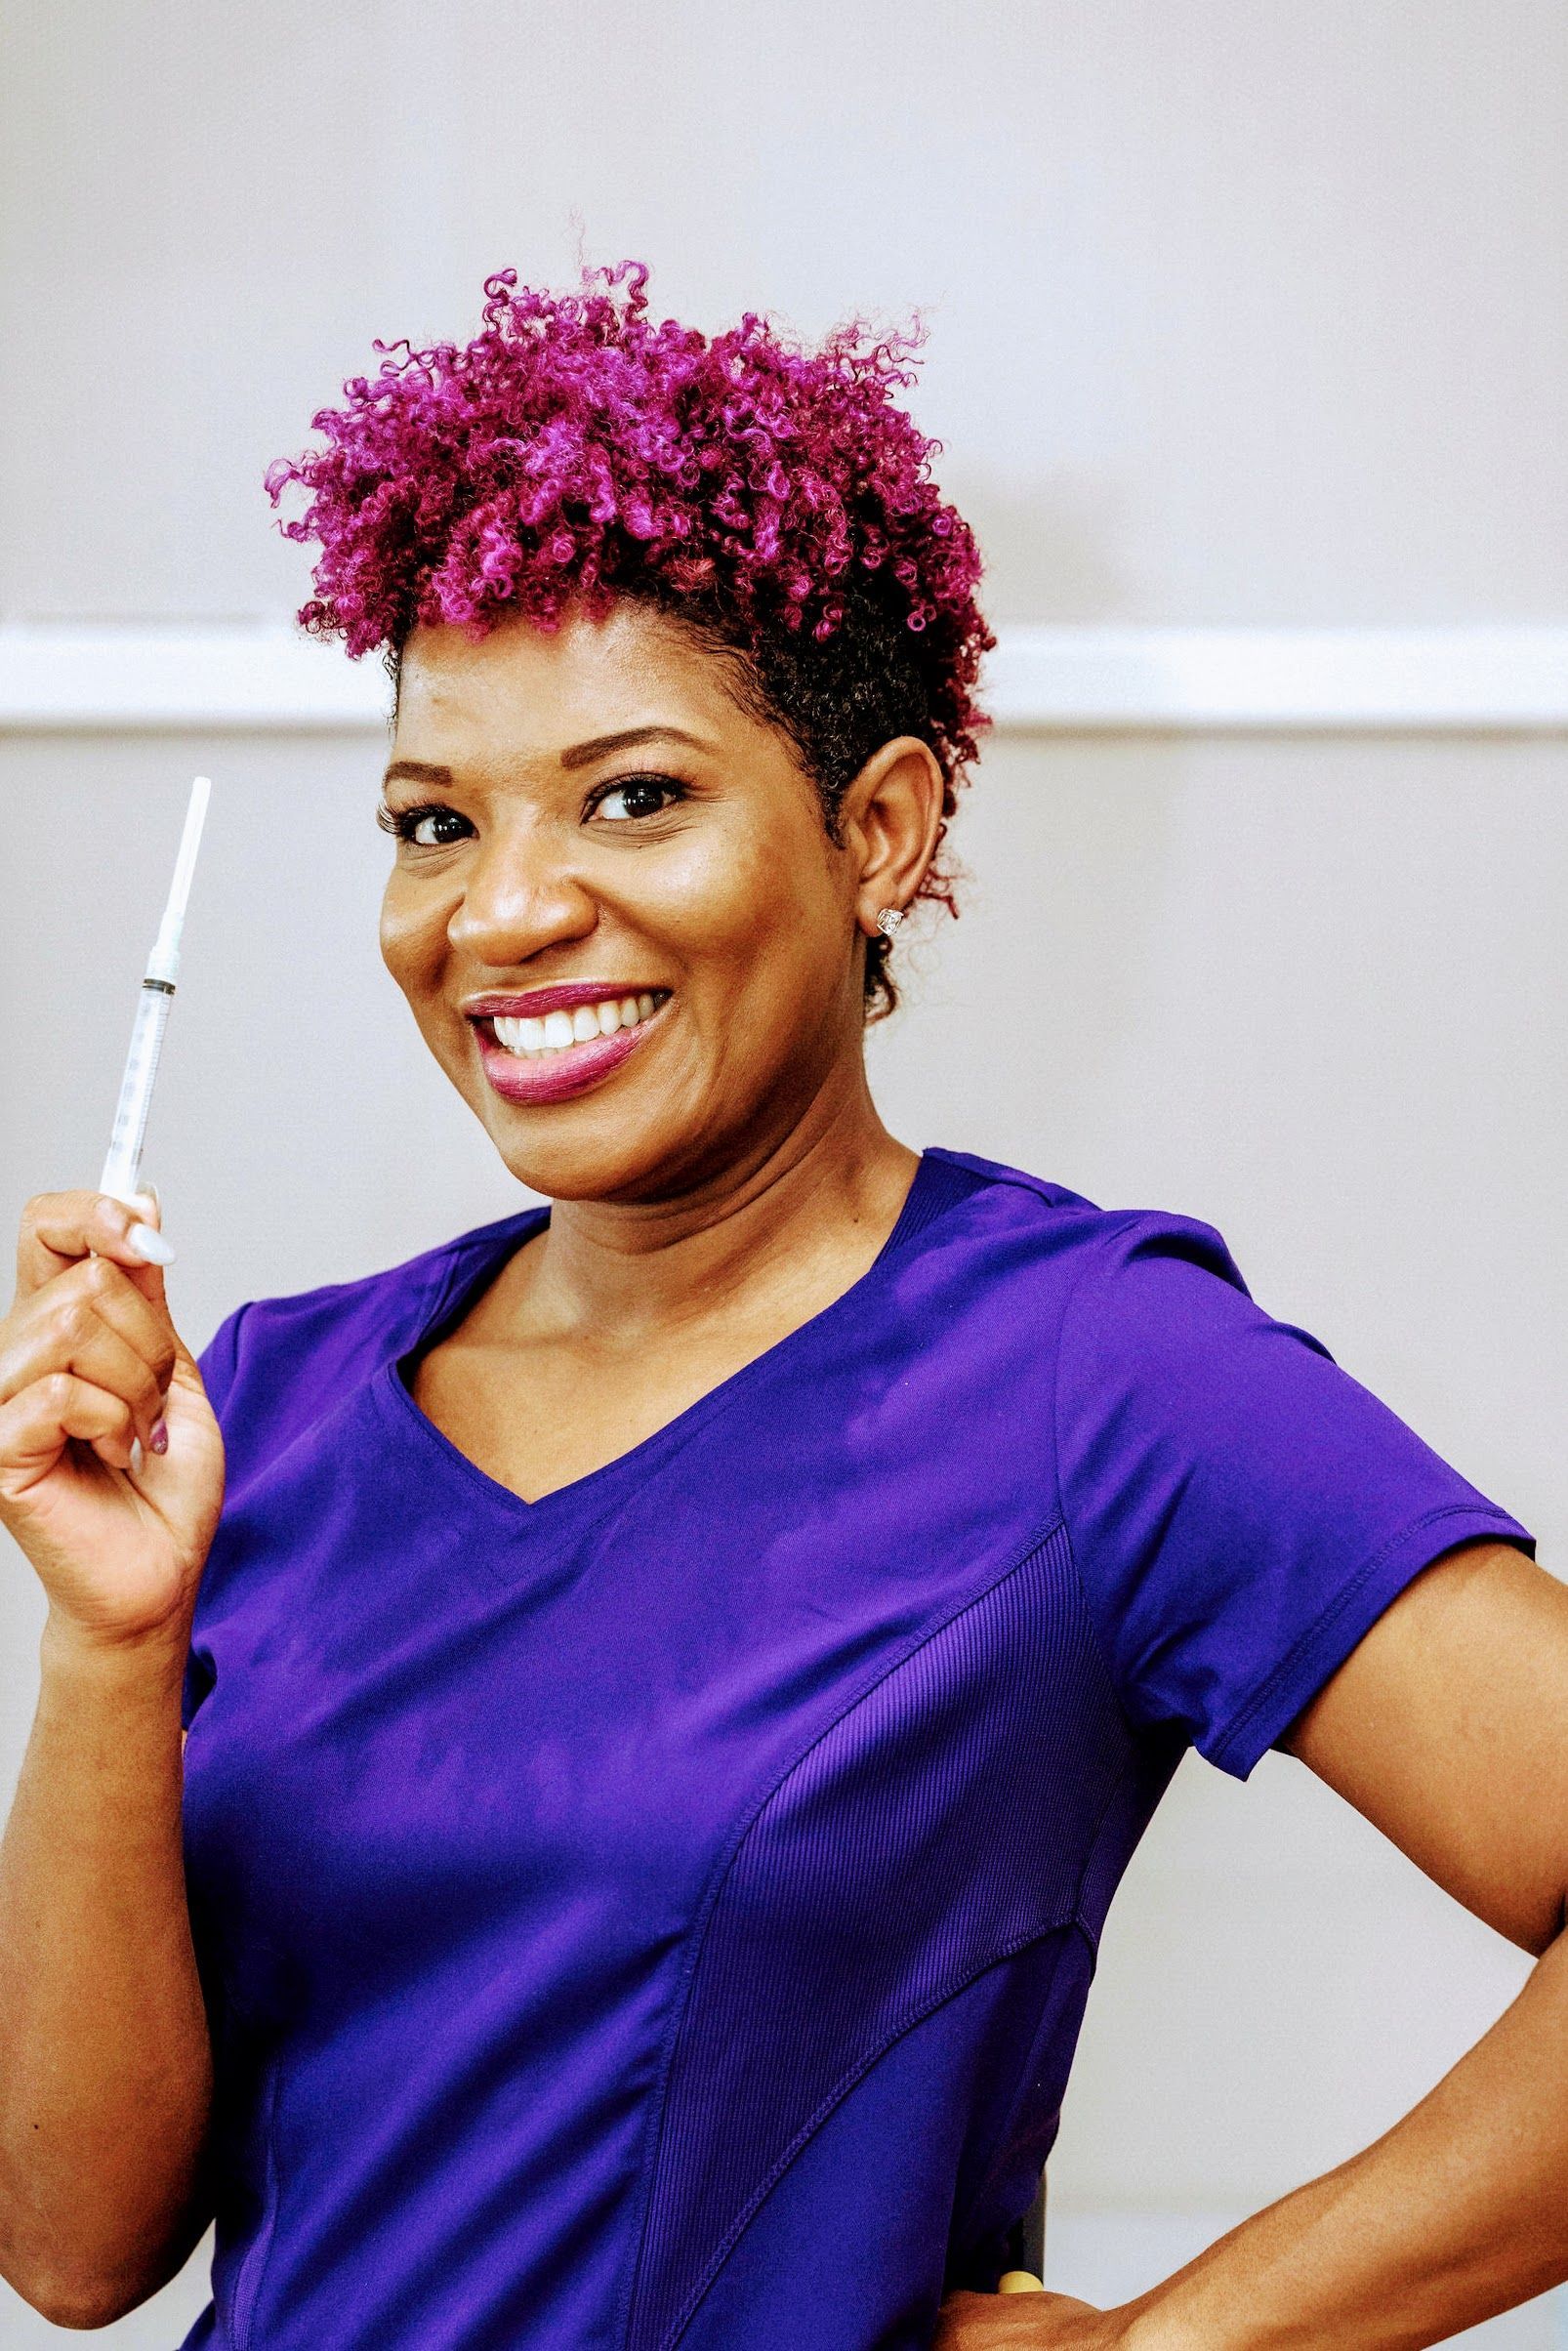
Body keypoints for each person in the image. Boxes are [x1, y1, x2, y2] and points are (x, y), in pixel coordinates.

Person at [0, 262, 1564, 2351]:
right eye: (431, 822)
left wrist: (1183, 2349)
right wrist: (109, 1638)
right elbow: (75, 2247)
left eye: (631, 793)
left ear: (879, 828)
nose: (504, 909)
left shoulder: (1089, 1375)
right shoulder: (261, 1403)